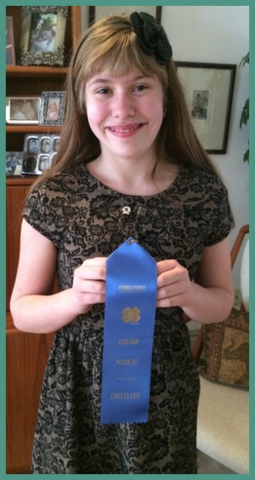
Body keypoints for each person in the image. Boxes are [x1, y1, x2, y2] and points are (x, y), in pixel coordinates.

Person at [10, 12, 234, 474]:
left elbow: (221, 303)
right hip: (76, 401)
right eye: (104, 89)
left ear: (167, 96)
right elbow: (22, 310)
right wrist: (74, 297)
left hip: (165, 402)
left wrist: (191, 295)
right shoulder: (53, 195)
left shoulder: (203, 193)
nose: (122, 107)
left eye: (140, 87)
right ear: (82, 100)